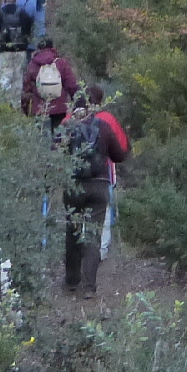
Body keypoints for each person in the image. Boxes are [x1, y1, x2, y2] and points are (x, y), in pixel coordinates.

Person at [58, 87, 131, 298]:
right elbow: (119, 156)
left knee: (72, 231)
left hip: (73, 186)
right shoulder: (104, 126)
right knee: (93, 235)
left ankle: (72, 281)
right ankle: (89, 287)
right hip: (99, 185)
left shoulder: (67, 126)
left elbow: (55, 154)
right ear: (94, 106)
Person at [21, 37, 77, 124]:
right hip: (60, 109)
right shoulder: (61, 63)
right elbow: (72, 85)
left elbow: (26, 90)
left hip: (39, 109)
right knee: (59, 132)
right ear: (52, 47)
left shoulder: (32, 65)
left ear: (38, 48)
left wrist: (27, 110)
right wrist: (76, 103)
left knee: (41, 132)